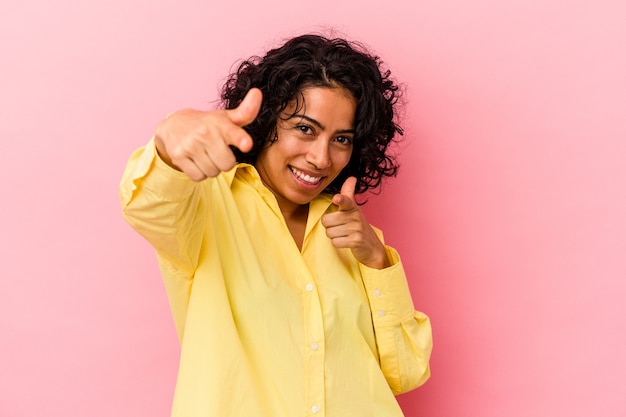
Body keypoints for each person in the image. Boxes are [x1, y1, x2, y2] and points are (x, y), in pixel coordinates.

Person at [119, 33, 432, 417]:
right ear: (267, 122)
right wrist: (169, 138)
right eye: (304, 128)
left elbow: (407, 372)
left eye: (341, 139)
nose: (321, 158)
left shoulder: (353, 234)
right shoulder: (206, 207)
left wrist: (377, 260)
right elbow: (148, 205)